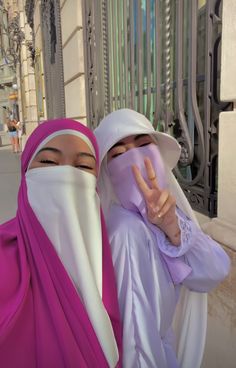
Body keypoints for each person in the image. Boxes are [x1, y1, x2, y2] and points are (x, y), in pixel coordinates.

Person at [94, 108, 230, 368]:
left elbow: (214, 271)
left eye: (144, 144)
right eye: (119, 154)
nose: (134, 158)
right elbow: (136, 337)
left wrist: (172, 227)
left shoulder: (165, 215)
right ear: (107, 172)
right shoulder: (126, 231)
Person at [0, 118, 122, 367]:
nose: (66, 175)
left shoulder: (114, 248)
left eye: (84, 166)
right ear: (25, 174)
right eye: (48, 162)